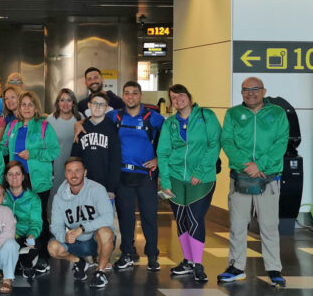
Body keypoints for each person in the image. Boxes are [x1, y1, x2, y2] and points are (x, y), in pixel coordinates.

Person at [218, 77, 289, 287]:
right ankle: (236, 267)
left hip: (268, 178)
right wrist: (245, 165)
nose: (250, 93)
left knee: (269, 226)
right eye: (245, 90)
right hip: (240, 178)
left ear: (263, 91)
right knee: (238, 225)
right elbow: (227, 142)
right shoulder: (232, 114)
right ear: (241, 93)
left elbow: (281, 142)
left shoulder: (277, 113)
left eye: (255, 89)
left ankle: (274, 268)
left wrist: (260, 165)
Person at [157, 84, 222, 283]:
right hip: (176, 178)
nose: (178, 100)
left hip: (202, 178)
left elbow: (214, 144)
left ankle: (198, 263)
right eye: (173, 98)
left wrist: (200, 172)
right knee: (182, 219)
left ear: (189, 96)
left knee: (194, 217)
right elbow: (163, 153)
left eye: (181, 95)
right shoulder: (170, 124)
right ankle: (187, 260)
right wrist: (165, 181)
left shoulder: (206, 116)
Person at [109, 81, 165, 272]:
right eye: (127, 93)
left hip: (146, 176)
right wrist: (78, 125)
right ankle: (126, 254)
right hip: (123, 175)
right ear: (123, 96)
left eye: (134, 93)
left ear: (140, 96)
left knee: (149, 216)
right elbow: (92, 122)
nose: (130, 97)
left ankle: (152, 255)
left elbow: (168, 141)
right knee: (125, 218)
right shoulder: (114, 116)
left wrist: (158, 158)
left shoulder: (154, 118)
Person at [2, 91, 60, 274]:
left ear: (36, 107)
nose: (26, 108)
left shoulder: (44, 126)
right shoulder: (12, 126)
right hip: (15, 181)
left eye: (30, 104)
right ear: (18, 107)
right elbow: (3, 147)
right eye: (23, 104)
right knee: (17, 218)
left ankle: (43, 257)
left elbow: (54, 151)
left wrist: (33, 154)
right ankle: (23, 254)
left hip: (38, 181)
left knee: (39, 219)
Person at [48, 158, 116, 288]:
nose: (73, 175)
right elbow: (56, 225)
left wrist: (82, 228)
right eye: (70, 171)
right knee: (53, 247)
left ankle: (100, 272)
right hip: (77, 241)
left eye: (77, 171)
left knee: (105, 231)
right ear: (65, 174)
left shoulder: (97, 189)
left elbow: (108, 217)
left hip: (97, 240)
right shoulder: (59, 197)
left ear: (85, 172)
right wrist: (64, 236)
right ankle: (79, 263)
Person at [70, 92, 121, 199]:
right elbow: (74, 158)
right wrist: (74, 182)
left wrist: (111, 188)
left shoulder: (112, 129)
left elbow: (115, 161)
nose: (97, 107)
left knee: (104, 215)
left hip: (104, 185)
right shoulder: (81, 128)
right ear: (89, 105)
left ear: (107, 108)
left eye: (101, 104)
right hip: (83, 184)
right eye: (95, 103)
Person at [2, 160, 42, 278]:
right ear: (6, 177)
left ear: (23, 176)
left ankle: (26, 263)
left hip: (25, 236)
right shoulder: (0, 195)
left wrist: (31, 235)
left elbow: (36, 223)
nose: (14, 177)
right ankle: (17, 263)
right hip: (6, 237)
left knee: (33, 246)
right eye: (10, 174)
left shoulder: (33, 198)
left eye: (17, 173)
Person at [47, 88, 83, 199]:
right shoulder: (50, 120)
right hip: (57, 166)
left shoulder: (80, 118)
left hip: (77, 166)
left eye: (69, 100)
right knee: (57, 196)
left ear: (73, 103)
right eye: (62, 100)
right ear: (58, 102)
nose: (65, 104)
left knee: (76, 196)